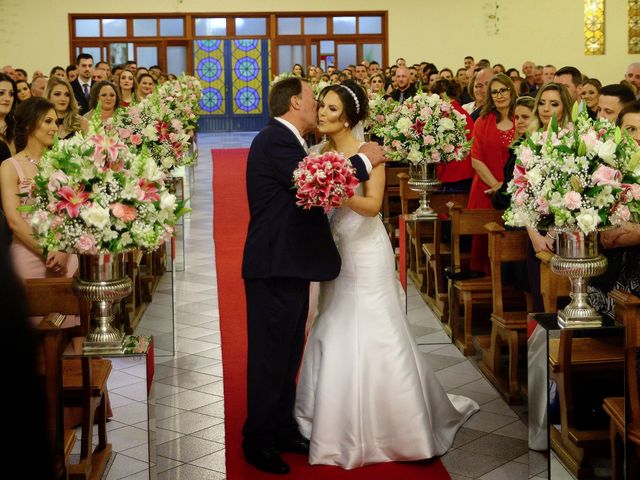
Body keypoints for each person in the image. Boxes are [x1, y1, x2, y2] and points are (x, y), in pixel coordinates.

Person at [294, 80, 479, 469]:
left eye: (330, 109)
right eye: (322, 107)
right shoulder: (316, 152)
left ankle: (401, 425)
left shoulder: (369, 154)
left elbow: (374, 205)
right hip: (333, 247)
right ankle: (330, 419)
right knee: (332, 321)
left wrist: (334, 190)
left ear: (349, 116)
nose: (322, 114)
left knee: (377, 326)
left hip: (363, 247)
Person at [241, 76, 386, 475]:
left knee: (288, 354)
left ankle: (282, 425)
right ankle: (257, 440)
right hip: (273, 265)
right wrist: (365, 160)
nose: (317, 106)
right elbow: (311, 181)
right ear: (294, 103)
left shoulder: (292, 141)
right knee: (270, 359)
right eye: (312, 99)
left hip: (290, 263)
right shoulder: (275, 140)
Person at [0, 97, 78, 296]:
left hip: (65, 253)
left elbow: (75, 211)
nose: (54, 128)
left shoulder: (66, 163)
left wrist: (62, 249)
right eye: (48, 121)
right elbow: (14, 220)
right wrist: (46, 251)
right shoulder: (10, 166)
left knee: (71, 317)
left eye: (56, 122)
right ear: (28, 125)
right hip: (28, 251)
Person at [467, 73, 517, 275]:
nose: (499, 95)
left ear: (511, 91)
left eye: (503, 90)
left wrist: (507, 186)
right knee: (485, 241)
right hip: (485, 189)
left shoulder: (521, 119)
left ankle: (510, 285)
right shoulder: (482, 121)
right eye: (494, 92)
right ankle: (488, 282)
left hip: (515, 190)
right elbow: (476, 159)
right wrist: (496, 185)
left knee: (512, 242)